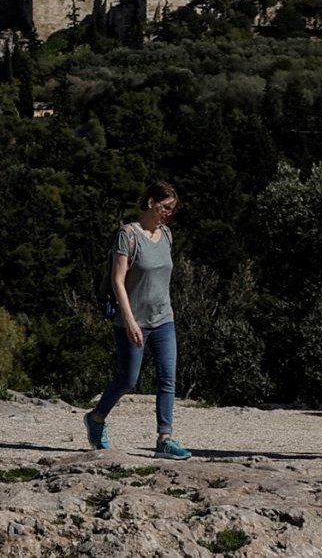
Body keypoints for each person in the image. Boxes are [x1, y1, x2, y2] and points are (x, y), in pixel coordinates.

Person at [84, 182, 191, 460]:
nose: (169, 213)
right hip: (133, 321)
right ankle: (96, 418)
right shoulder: (127, 235)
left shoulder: (166, 235)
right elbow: (117, 281)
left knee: (167, 378)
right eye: (166, 207)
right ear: (151, 202)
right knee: (127, 380)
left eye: (173, 209)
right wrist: (130, 321)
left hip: (164, 319)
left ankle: (164, 439)